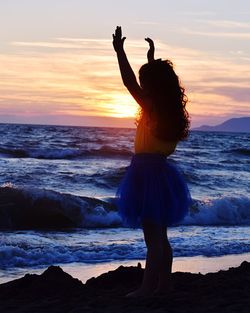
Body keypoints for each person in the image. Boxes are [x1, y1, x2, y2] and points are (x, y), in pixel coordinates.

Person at [113, 26, 191, 297]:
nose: (143, 90)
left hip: (145, 174)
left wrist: (120, 52)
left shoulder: (151, 107)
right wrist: (151, 59)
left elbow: (128, 82)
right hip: (161, 174)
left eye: (148, 84)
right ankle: (164, 285)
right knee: (161, 236)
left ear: (153, 88)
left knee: (153, 238)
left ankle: (147, 289)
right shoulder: (170, 109)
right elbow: (153, 84)